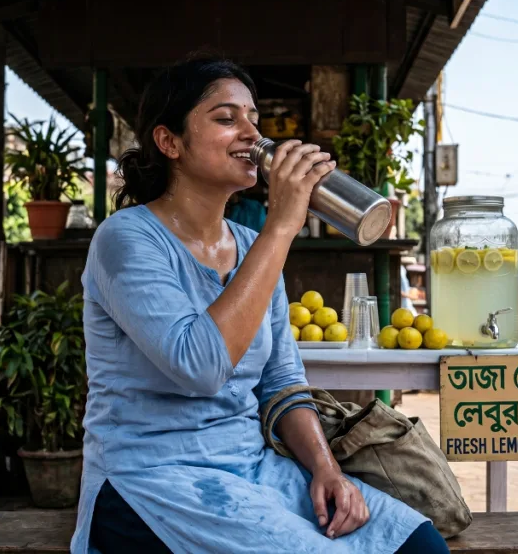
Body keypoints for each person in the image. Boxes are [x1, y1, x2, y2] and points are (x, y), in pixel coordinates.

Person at [73, 58, 446, 554]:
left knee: (420, 545)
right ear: (170, 143)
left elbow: (282, 384)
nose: (251, 133)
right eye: (227, 118)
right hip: (152, 480)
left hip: (251, 469)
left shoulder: (252, 245)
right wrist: (282, 226)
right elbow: (200, 366)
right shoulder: (125, 239)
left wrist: (326, 470)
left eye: (253, 118)